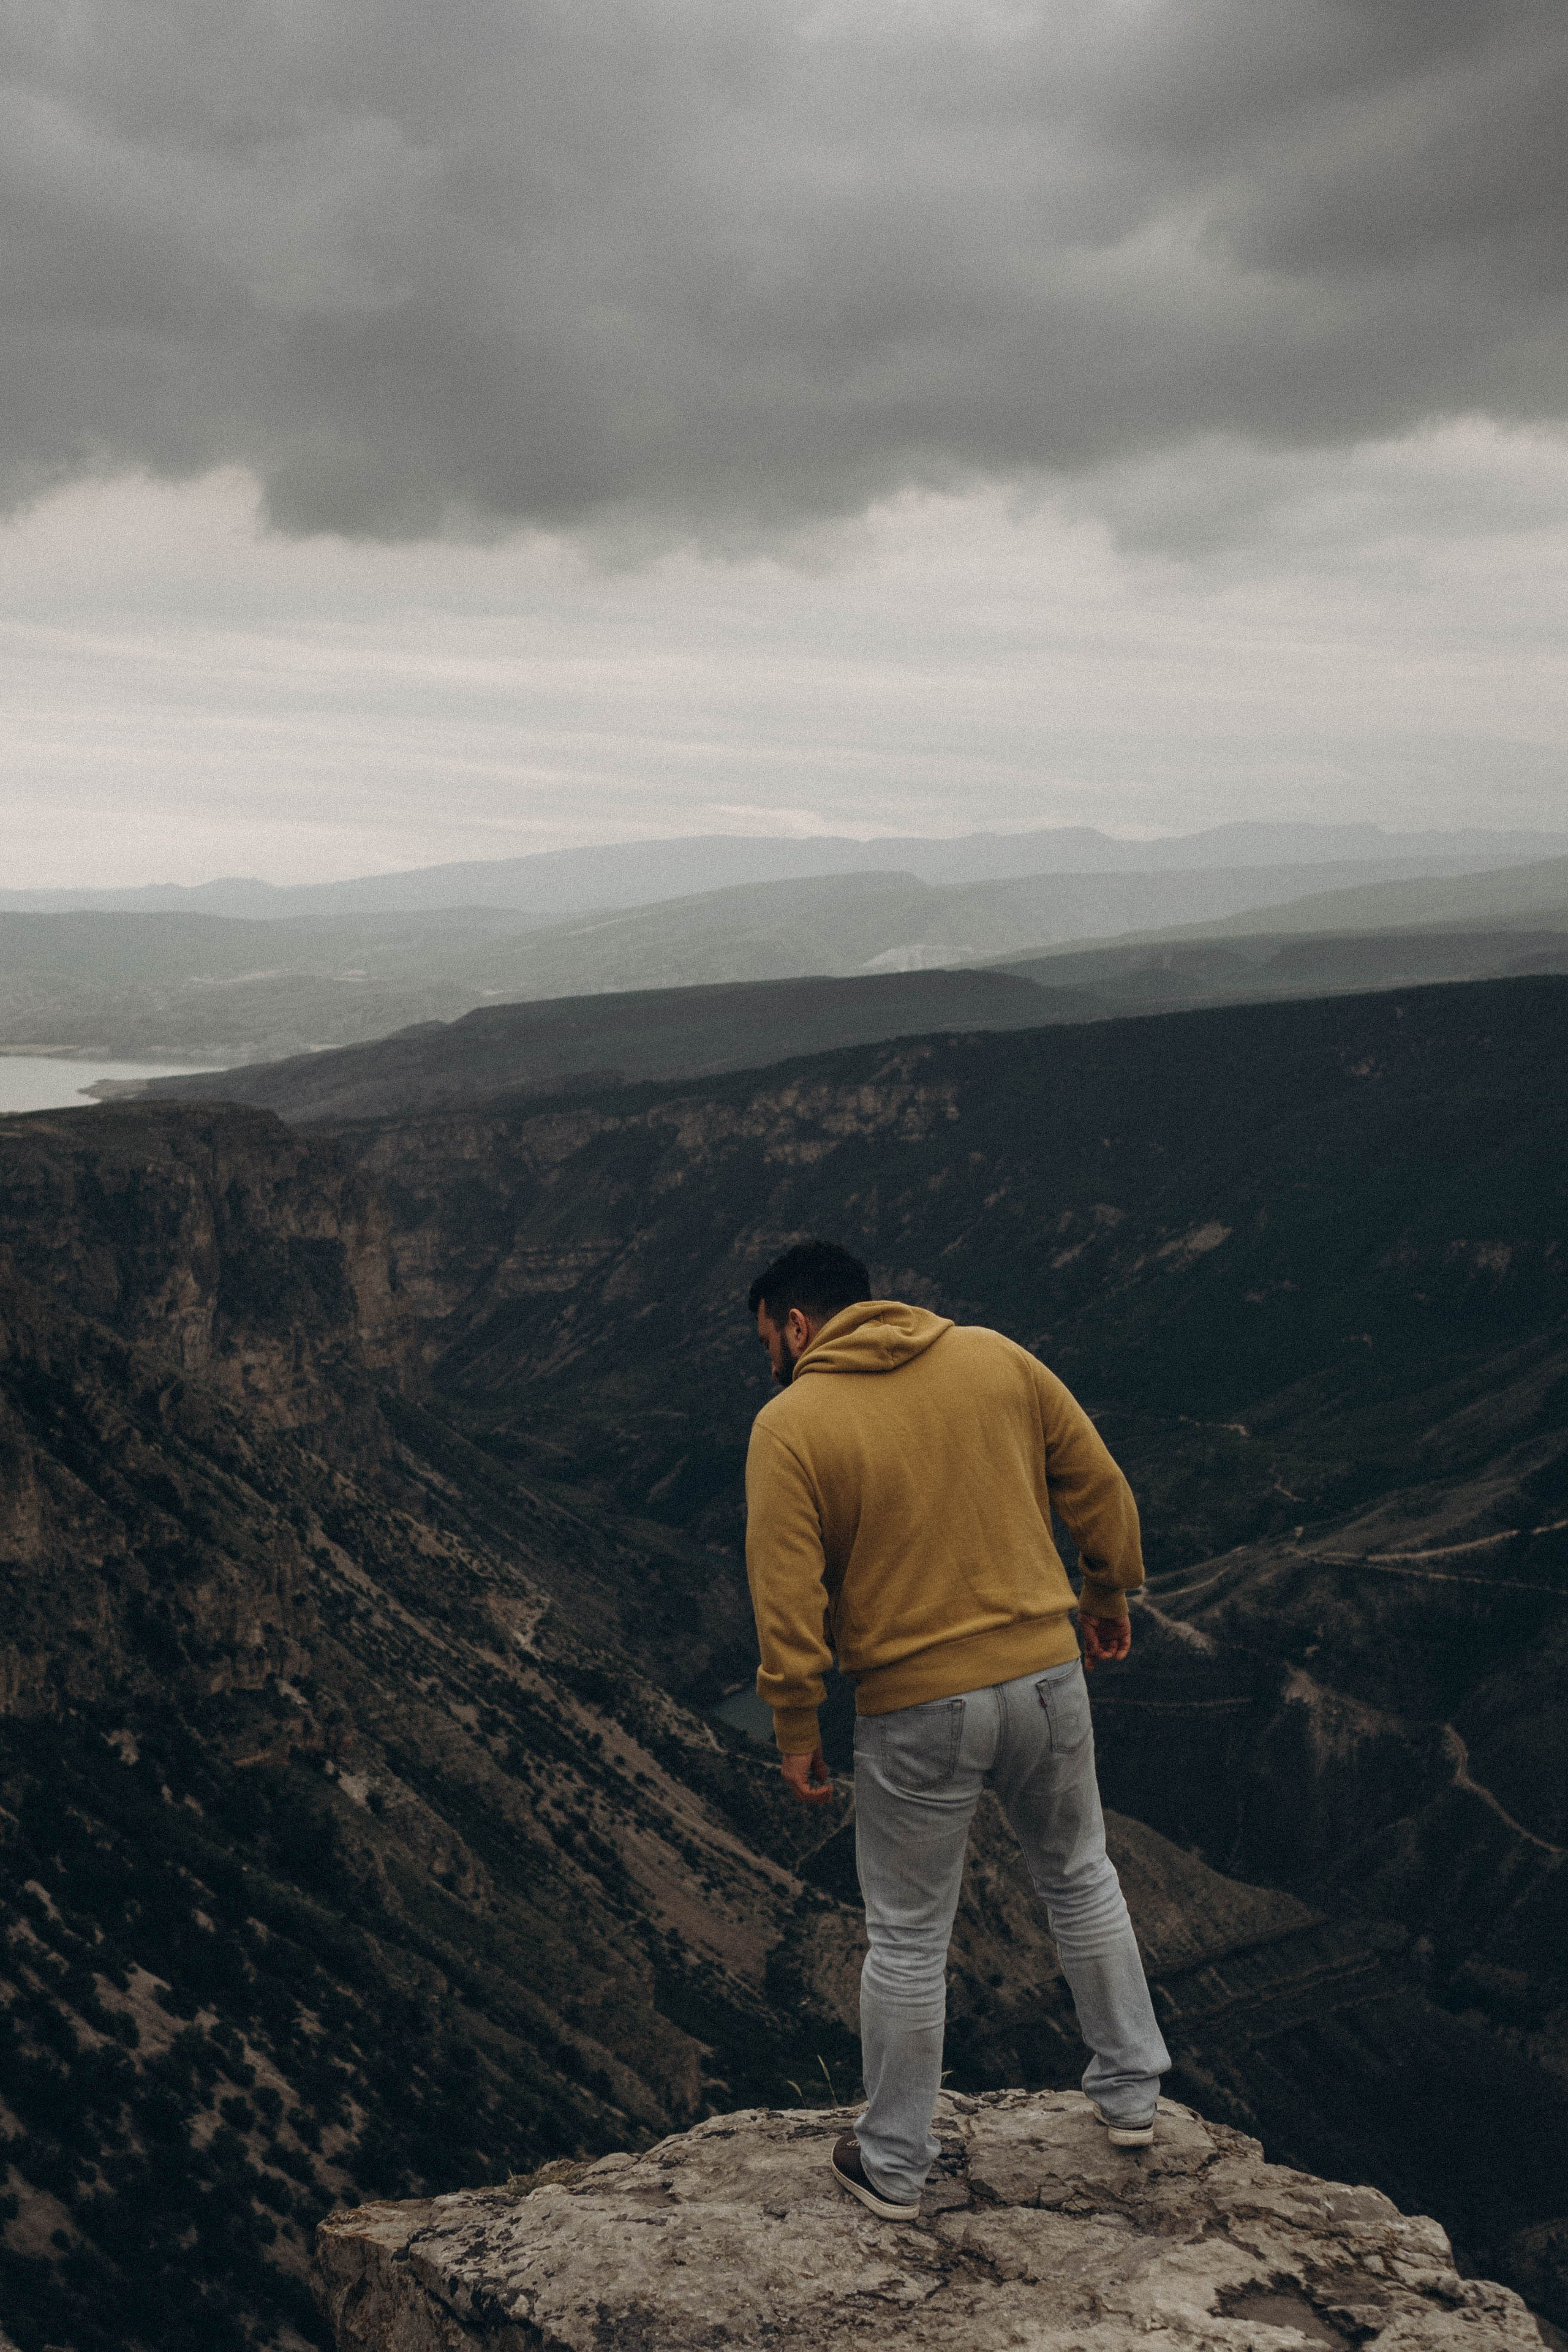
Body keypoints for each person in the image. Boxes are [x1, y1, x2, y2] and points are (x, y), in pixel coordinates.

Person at [743, 1238, 1169, 2222]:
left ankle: (893, 2160)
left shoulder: (791, 1423)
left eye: (768, 1340)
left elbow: (786, 1596)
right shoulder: (994, 1355)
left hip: (916, 1705)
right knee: (1080, 1873)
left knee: (906, 1937)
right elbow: (1100, 1486)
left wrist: (795, 1722)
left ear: (798, 1326)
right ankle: (1133, 2092)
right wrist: (1105, 1589)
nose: (770, 1359)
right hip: (1048, 1675)